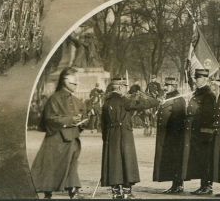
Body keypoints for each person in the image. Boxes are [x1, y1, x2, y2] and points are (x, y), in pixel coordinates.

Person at [30, 68, 87, 200]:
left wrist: (83, 122)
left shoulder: (77, 100)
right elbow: (49, 119)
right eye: (74, 83)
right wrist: (70, 120)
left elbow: (82, 115)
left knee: (72, 164)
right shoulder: (54, 99)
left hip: (72, 137)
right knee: (51, 166)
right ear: (65, 81)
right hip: (57, 139)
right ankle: (47, 193)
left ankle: (74, 191)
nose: (76, 85)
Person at [101, 77, 160, 199]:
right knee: (127, 161)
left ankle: (116, 192)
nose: (126, 91)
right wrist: (156, 101)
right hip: (124, 133)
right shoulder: (124, 101)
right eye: (125, 88)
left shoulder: (106, 102)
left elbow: (103, 123)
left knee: (114, 162)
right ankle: (127, 192)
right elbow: (141, 104)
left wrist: (106, 138)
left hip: (111, 135)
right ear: (121, 88)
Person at [181, 68, 217, 195]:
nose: (196, 81)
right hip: (195, 131)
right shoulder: (198, 93)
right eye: (196, 78)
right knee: (200, 158)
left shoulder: (208, 95)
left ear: (205, 79)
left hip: (203, 132)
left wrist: (206, 133)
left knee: (205, 158)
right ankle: (203, 185)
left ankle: (207, 185)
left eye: (198, 78)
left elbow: (209, 115)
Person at [153, 77, 186, 194]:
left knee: (175, 160)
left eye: (167, 85)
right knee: (169, 160)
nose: (165, 87)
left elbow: (179, 119)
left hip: (173, 136)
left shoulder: (178, 100)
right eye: (165, 85)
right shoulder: (168, 98)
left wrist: (174, 134)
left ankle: (178, 185)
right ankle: (174, 184)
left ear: (174, 86)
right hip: (166, 135)